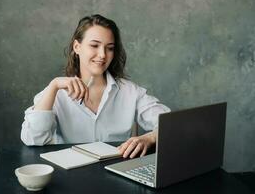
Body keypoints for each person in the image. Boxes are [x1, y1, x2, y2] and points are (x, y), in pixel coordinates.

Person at [21, 14, 170, 159]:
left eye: (109, 48)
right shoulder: (55, 93)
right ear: (77, 47)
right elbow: (33, 139)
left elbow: (173, 125)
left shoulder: (130, 91)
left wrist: (149, 137)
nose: (103, 55)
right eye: (94, 45)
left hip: (116, 174)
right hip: (70, 177)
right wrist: (53, 86)